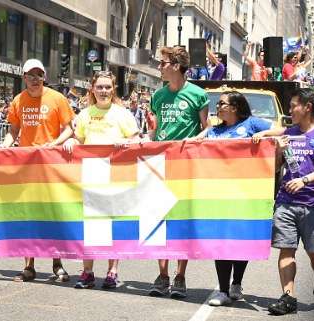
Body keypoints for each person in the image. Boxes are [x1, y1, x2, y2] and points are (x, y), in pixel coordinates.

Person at [262, 88, 314, 315]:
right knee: (286, 250)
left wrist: (304, 180)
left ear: (307, 107)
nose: (289, 111)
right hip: (286, 202)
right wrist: (280, 151)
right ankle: (288, 297)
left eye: (293, 105)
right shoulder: (290, 133)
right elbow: (276, 167)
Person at [63, 70, 140, 289]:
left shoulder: (122, 113)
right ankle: (87, 272)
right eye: (100, 87)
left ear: (113, 89)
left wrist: (125, 142)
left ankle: (112, 271)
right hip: (91, 174)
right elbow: (79, 138)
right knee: (92, 225)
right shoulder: (85, 114)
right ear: (93, 89)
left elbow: (135, 138)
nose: (104, 91)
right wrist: (71, 143)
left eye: (108, 87)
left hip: (116, 175)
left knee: (112, 224)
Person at [0, 58, 75, 282]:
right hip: (26, 165)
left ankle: (57, 264)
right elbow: (13, 131)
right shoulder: (18, 100)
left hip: (51, 165)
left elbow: (69, 129)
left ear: (44, 77)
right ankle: (29, 266)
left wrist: (54, 143)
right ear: (23, 77)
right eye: (30, 75)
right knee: (28, 214)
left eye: (38, 74)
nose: (35, 79)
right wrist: (4, 147)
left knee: (53, 214)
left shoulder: (57, 98)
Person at [197, 91, 273, 306]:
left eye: (221, 103)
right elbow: (192, 142)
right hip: (217, 195)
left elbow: (281, 131)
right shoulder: (214, 130)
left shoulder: (251, 123)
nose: (217, 107)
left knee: (241, 239)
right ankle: (222, 291)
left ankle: (236, 283)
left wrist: (263, 136)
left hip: (245, 193)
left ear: (235, 107)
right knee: (221, 240)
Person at [148, 46, 210, 298]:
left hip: (186, 167)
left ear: (176, 65)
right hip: (159, 164)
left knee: (181, 221)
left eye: (162, 63)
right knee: (159, 220)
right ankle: (162, 275)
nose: (159, 67)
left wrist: (196, 139)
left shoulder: (197, 94)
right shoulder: (158, 95)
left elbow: (208, 129)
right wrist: (144, 140)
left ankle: (180, 276)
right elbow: (154, 131)